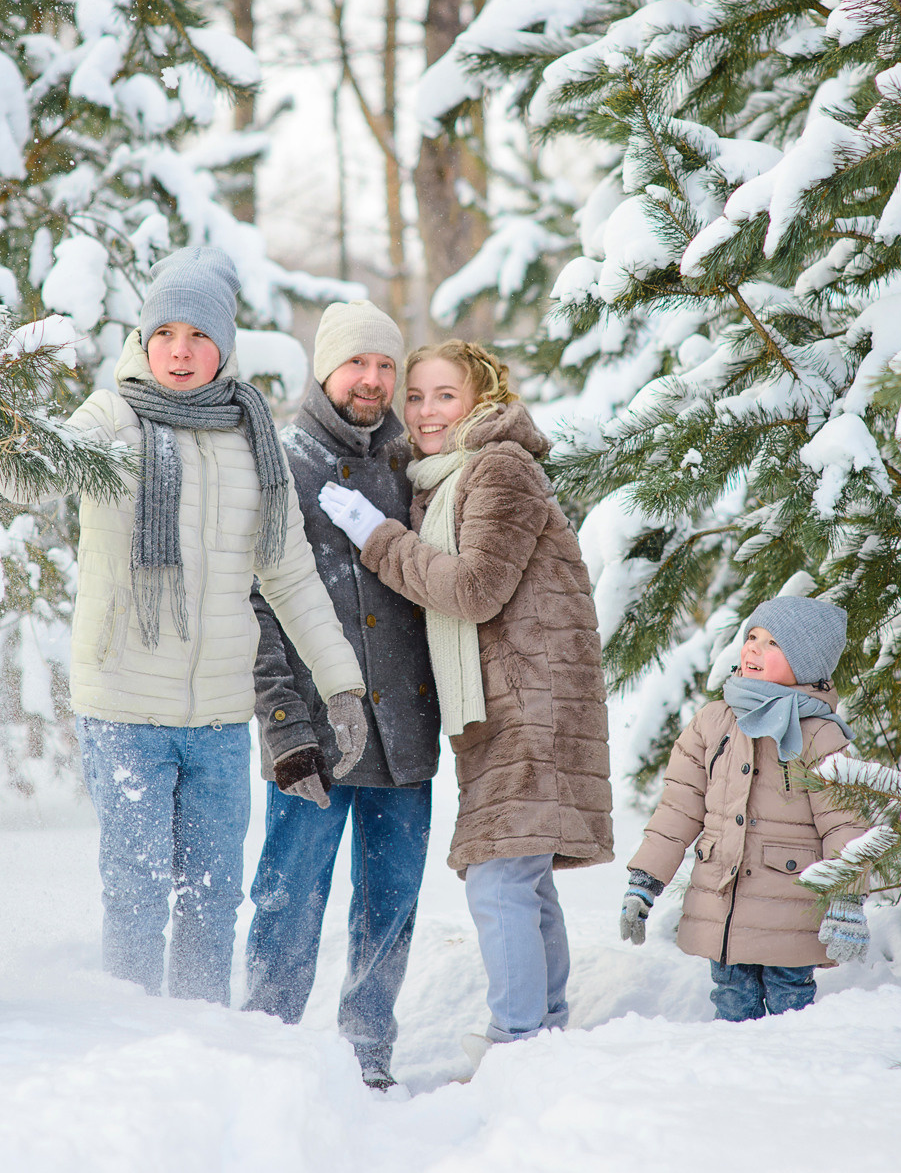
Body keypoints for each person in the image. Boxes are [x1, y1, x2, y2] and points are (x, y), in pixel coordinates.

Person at [63, 245, 368, 1004]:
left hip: (218, 720)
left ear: (223, 345)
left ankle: (197, 1048)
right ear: (143, 338)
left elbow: (291, 575)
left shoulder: (248, 438)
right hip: (124, 705)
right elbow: (33, 470)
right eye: (165, 332)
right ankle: (129, 1050)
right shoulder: (110, 416)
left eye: (198, 335)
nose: (180, 350)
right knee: (135, 894)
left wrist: (341, 684)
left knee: (210, 895)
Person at [317, 339, 613, 1075]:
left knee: (500, 875)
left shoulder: (500, 468)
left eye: (443, 395)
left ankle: (517, 1041)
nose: (422, 411)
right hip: (505, 705)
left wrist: (377, 539)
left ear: (481, 397)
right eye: (414, 396)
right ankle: (544, 1032)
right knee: (523, 873)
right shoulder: (446, 479)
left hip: (533, 703)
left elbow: (476, 587)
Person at [242, 300, 442, 1092]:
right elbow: (256, 604)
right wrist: (285, 727)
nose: (373, 379)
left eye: (386, 365)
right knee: (289, 902)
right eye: (357, 362)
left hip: (408, 736)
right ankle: (267, 1050)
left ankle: (368, 1050)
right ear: (325, 369)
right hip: (317, 739)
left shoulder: (412, 466)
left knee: (390, 904)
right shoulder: (282, 465)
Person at [618, 595, 870, 1021]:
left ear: (805, 665)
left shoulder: (820, 736)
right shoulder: (713, 722)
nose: (753, 648)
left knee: (791, 1014)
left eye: (772, 643)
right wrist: (645, 881)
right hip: (725, 906)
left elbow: (845, 825)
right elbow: (677, 810)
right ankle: (731, 1084)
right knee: (731, 1005)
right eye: (752, 636)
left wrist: (847, 898)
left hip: (790, 911)